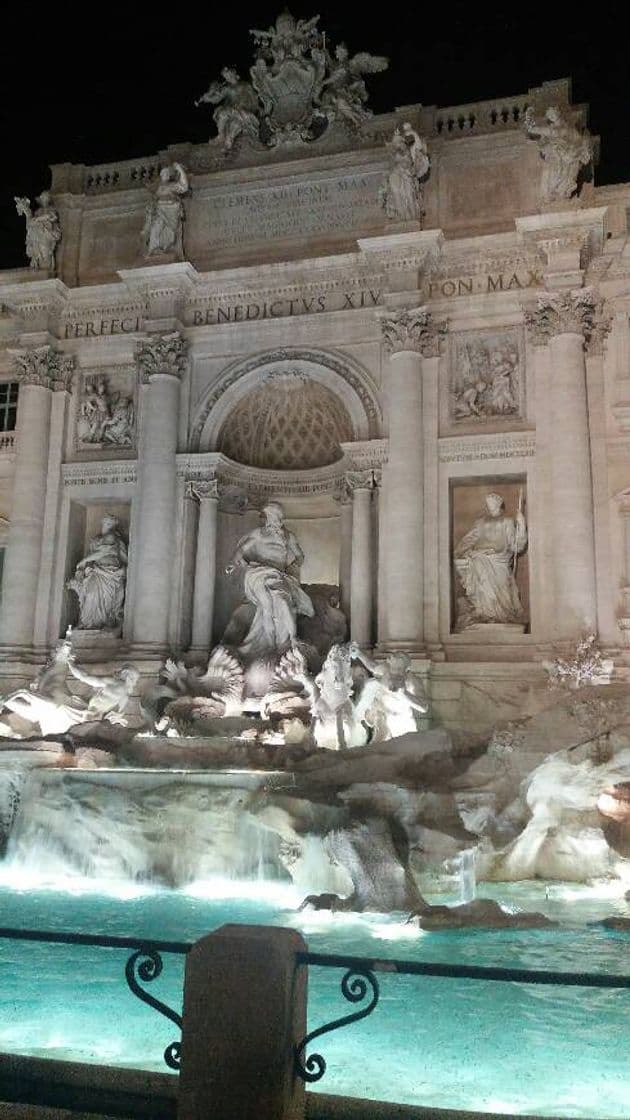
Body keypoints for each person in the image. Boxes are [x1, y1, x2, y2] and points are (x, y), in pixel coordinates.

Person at [225, 502, 313, 660]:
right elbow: (241, 551)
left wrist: (294, 566)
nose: (274, 520)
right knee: (266, 605)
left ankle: (291, 639)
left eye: (277, 517)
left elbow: (300, 556)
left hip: (279, 575)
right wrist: (233, 563)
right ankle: (270, 646)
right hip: (259, 573)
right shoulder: (259, 534)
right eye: (271, 517)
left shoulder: (288, 536)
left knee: (282, 601)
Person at [454, 492, 527, 631]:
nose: (490, 505)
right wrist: (457, 552)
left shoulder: (507, 521)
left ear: (499, 503)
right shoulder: (480, 522)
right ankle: (484, 612)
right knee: (476, 563)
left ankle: (501, 614)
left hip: (500, 559)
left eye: (492, 502)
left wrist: (522, 526)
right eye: (488, 503)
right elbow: (469, 539)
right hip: (480, 556)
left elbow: (516, 545)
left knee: (501, 588)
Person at [67, 516, 128, 630]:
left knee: (105, 600)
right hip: (97, 571)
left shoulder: (112, 537)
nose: (107, 527)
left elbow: (103, 552)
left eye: (110, 524)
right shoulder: (96, 540)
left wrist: (83, 561)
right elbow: (93, 556)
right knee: (90, 595)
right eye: (106, 524)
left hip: (110, 574)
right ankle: (89, 623)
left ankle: (102, 623)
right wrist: (86, 567)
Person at [142, 162, 189, 256]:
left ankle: (167, 247)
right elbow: (151, 198)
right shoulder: (157, 187)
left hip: (171, 210)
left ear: (169, 176)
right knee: (156, 227)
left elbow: (184, 187)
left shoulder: (172, 185)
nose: (165, 175)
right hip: (159, 210)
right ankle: (153, 248)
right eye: (163, 173)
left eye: (167, 174)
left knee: (170, 230)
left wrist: (180, 169)